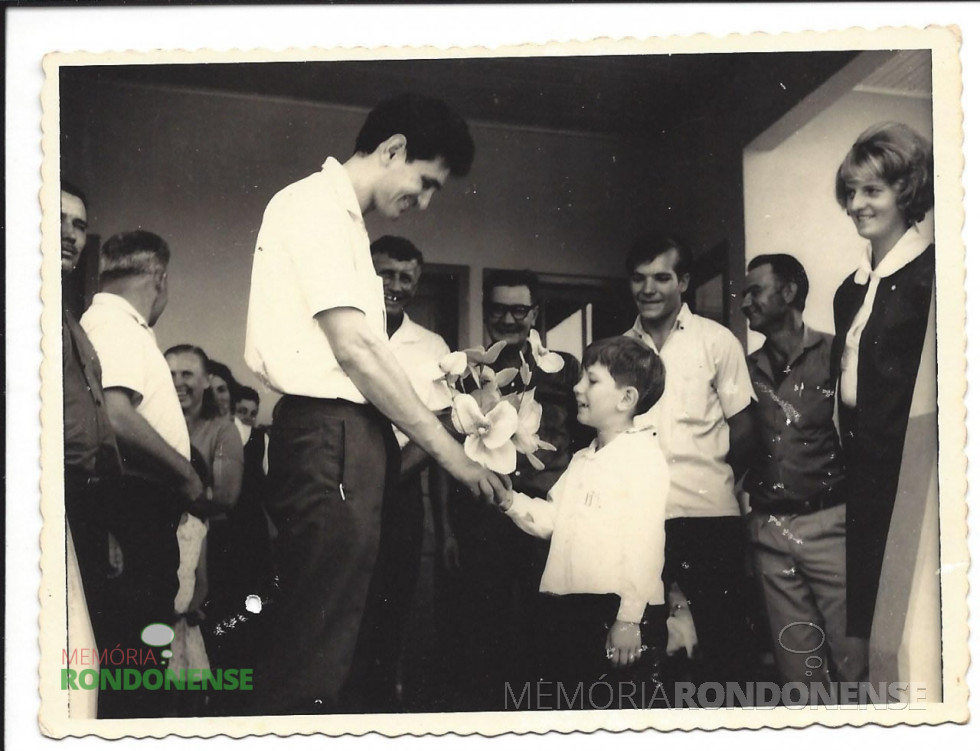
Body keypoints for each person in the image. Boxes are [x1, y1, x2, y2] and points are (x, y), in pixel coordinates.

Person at [243, 93, 508, 715]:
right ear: (392, 149)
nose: (426, 202)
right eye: (425, 182)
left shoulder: (346, 223)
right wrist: (455, 458)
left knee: (345, 644)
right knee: (313, 647)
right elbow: (358, 350)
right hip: (329, 434)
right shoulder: (313, 205)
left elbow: (375, 359)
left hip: (354, 439)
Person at [495, 336, 670, 707]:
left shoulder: (643, 459)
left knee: (616, 714)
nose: (577, 387)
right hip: (571, 608)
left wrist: (628, 620)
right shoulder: (583, 460)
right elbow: (551, 521)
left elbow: (646, 545)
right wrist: (509, 500)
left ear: (626, 399)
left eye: (591, 380)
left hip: (619, 615)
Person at [438, 269, 584, 710]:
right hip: (482, 519)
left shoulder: (565, 369)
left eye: (519, 310)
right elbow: (447, 455)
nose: (508, 318)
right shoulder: (466, 371)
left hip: (545, 517)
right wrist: (447, 529)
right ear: (486, 313)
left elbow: (583, 448)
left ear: (534, 313)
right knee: (484, 631)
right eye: (498, 309)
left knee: (546, 627)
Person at [622, 232, 758, 690]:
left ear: (683, 281)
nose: (649, 289)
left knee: (722, 647)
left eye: (661, 277)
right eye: (639, 279)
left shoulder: (717, 342)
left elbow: (744, 430)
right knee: (649, 649)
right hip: (642, 521)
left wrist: (715, 477)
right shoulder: (619, 352)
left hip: (709, 517)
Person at [80, 230, 205, 718]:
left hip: (138, 509)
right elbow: (116, 414)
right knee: (137, 658)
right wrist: (188, 476)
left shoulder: (112, 322)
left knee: (139, 653)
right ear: (160, 279)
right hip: (137, 508)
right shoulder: (118, 325)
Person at [741, 254, 869, 693]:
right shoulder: (744, 369)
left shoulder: (838, 354)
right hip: (770, 530)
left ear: (789, 292)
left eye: (754, 291)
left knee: (855, 662)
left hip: (831, 524)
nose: (745, 303)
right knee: (798, 673)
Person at [831, 122, 935, 641]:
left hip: (911, 473)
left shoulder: (932, 275)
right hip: (864, 474)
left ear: (906, 191)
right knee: (873, 626)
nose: (856, 204)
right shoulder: (850, 290)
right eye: (851, 192)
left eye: (872, 190)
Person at [346, 235, 453, 710]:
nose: (395, 285)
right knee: (341, 607)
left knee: (390, 610)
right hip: (341, 492)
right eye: (384, 273)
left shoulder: (432, 346)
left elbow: (440, 428)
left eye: (405, 277)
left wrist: (390, 479)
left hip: (401, 494)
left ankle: (377, 711)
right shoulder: (340, 329)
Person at [61, 182, 122, 719]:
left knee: (80, 656)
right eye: (56, 218)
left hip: (83, 502)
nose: (69, 233)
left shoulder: (68, 319)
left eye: (79, 225)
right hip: (45, 500)